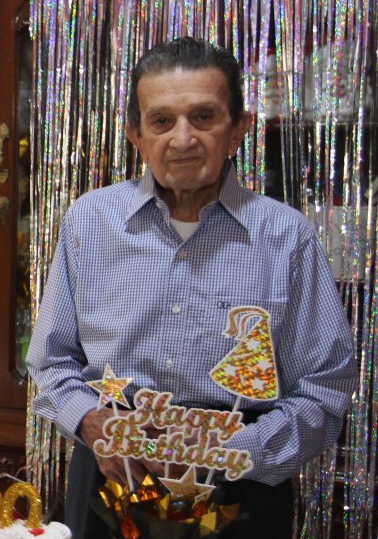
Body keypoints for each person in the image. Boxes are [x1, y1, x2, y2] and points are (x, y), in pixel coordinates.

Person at [26, 37, 356, 538]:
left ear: (239, 128)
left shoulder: (287, 237)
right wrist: (93, 425)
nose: (183, 138)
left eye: (203, 117)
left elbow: (324, 387)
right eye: (161, 121)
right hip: (110, 475)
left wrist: (233, 452)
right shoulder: (88, 222)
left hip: (244, 488)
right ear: (135, 134)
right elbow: (51, 362)